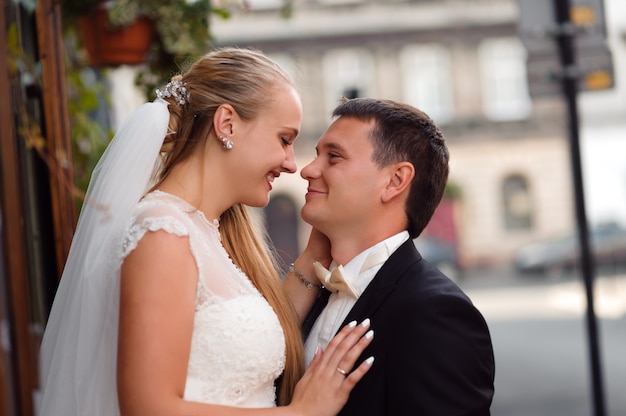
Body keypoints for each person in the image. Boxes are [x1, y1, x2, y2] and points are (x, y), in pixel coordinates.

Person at [38, 47, 374, 416]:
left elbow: (238, 343)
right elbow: (149, 407)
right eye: (284, 139)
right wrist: (300, 414)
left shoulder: (208, 229)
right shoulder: (161, 234)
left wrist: (315, 256)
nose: (292, 164)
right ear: (227, 124)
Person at [290, 98, 495, 415]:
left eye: (334, 157)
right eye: (317, 154)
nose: (308, 170)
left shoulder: (437, 314)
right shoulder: (308, 292)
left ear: (395, 181)